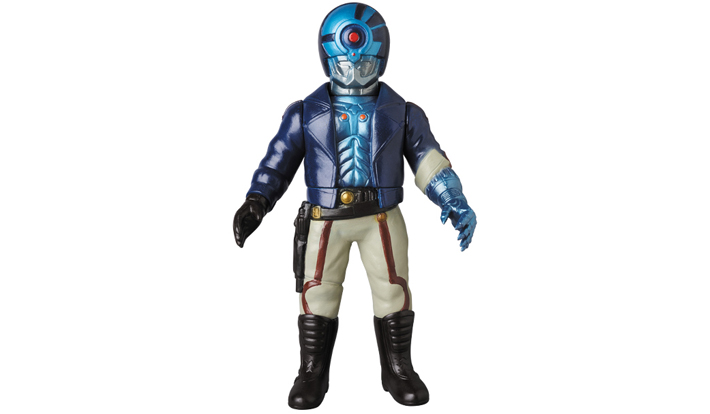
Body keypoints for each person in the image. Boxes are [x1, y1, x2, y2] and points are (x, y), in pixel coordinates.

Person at [232, 3, 476, 409]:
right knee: (317, 293)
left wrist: (454, 199)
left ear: (382, 58)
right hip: (325, 217)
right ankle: (312, 371)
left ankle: (398, 368)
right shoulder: (305, 113)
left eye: (365, 61)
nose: (354, 68)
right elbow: (278, 162)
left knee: (393, 290)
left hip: (381, 215)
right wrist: (257, 200)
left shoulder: (402, 113)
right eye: (344, 61)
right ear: (327, 58)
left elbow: (427, 158)